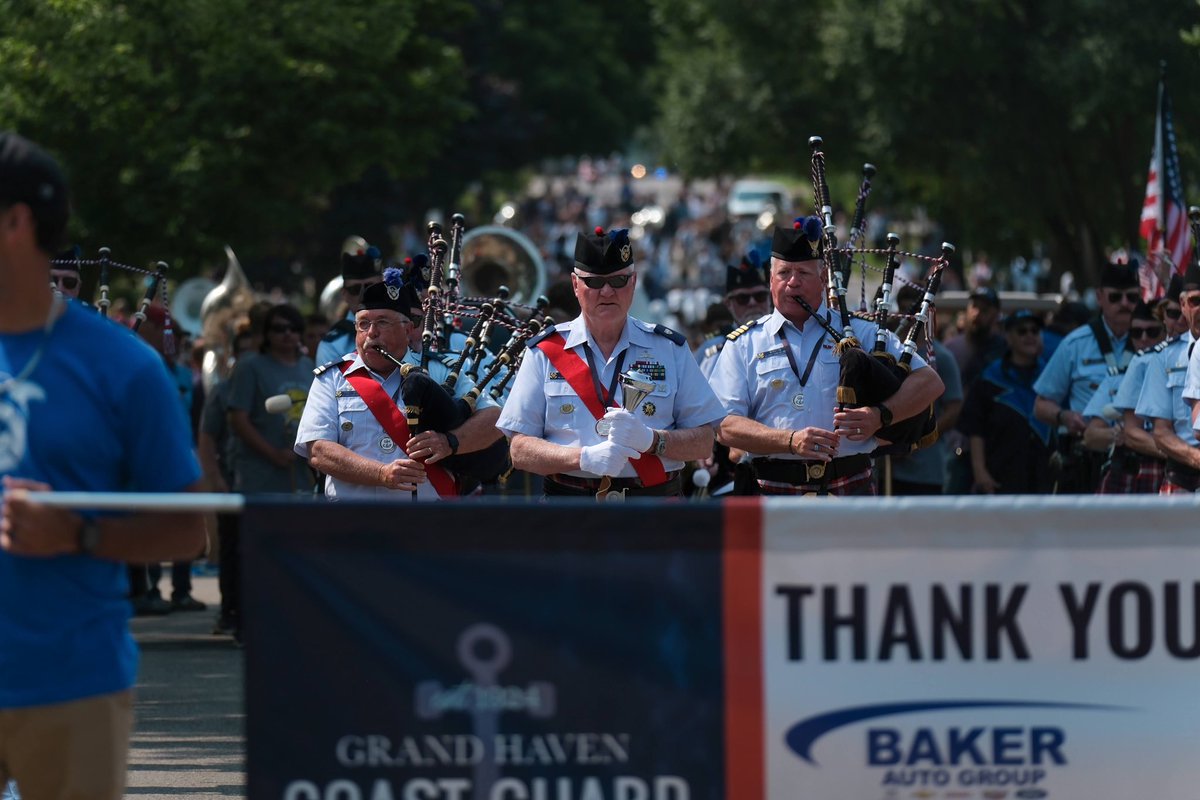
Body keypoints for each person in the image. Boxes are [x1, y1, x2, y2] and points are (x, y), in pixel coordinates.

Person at [0, 131, 205, 799]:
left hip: (73, 683)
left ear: (17, 222)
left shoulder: (125, 367)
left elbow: (185, 533)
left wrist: (79, 534)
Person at [710, 217, 944, 496]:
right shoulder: (744, 344)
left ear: (823, 279)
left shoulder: (861, 332)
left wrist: (879, 415)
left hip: (849, 480)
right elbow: (724, 425)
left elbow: (930, 383)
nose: (792, 282)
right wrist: (790, 440)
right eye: (784, 273)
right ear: (771, 280)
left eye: (803, 273)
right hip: (771, 486)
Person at [496, 226, 725, 498]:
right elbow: (519, 449)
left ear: (634, 282)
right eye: (594, 282)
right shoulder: (545, 352)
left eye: (618, 281)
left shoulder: (669, 349)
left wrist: (654, 441)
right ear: (575, 285)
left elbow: (703, 442)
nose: (606, 292)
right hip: (569, 505)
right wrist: (582, 458)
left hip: (653, 504)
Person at [296, 269, 503, 500]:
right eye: (363, 324)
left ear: (407, 330)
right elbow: (318, 452)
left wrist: (450, 442)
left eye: (382, 322)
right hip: (354, 520)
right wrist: (381, 474)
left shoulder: (439, 370)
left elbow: (494, 419)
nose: (371, 333)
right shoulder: (331, 379)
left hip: (430, 520)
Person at [1033, 262, 1140, 493]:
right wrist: (1064, 416)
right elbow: (1040, 405)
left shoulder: (1151, 340)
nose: (1124, 304)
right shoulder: (1075, 344)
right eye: (1115, 297)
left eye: (1132, 298)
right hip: (1085, 459)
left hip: (1137, 459)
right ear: (1099, 297)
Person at [956, 309, 1051, 494]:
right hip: (999, 479)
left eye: (1034, 330)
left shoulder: (1051, 375)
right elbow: (975, 429)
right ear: (1008, 337)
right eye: (1022, 331)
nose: (1029, 336)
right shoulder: (990, 378)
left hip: (1042, 479)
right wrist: (980, 472)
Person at [227, 304, 316, 495]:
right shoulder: (249, 366)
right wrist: (272, 453)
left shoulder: (308, 366)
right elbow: (238, 419)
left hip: (301, 475)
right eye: (279, 329)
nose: (287, 334)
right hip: (260, 475)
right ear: (267, 333)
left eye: (293, 329)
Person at [884, 284, 963, 495]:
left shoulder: (941, 357)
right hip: (890, 468)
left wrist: (917, 440)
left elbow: (954, 409)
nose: (910, 318)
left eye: (915, 310)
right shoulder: (888, 352)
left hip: (928, 469)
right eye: (905, 310)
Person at [1080, 301, 1166, 494]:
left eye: (1152, 332)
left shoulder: (1179, 373)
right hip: (1129, 470)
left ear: (1164, 331)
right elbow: (1091, 436)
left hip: (1168, 470)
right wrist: (1118, 435)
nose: (1143, 338)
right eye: (1136, 333)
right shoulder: (1117, 377)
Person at [1145, 263, 1200, 493]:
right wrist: (1195, 457)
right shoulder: (1164, 358)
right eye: (1196, 301)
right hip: (1183, 479)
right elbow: (1161, 432)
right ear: (1183, 304)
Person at [696, 251, 773, 379]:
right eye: (743, 298)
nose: (752, 303)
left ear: (770, 299)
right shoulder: (715, 350)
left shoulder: (789, 337)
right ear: (728, 304)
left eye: (760, 296)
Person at [314, 244, 383, 365]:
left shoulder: (401, 330)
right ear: (344, 294)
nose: (363, 294)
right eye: (355, 289)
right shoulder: (331, 344)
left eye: (370, 287)